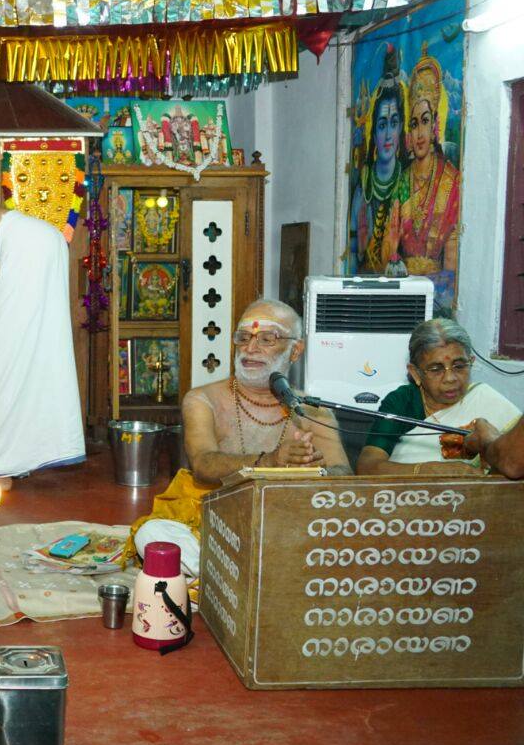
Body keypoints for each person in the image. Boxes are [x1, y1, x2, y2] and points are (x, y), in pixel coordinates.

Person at [124, 299, 351, 576]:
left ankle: (235, 574)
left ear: (296, 350)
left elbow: (343, 476)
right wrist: (272, 462)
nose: (250, 348)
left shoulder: (314, 412)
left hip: (285, 521)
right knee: (153, 534)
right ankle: (230, 577)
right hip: (213, 518)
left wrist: (313, 470)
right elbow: (204, 465)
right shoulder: (204, 399)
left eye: (268, 339)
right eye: (243, 338)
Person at [0, 204, 85, 479]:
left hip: (26, 244)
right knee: (34, 355)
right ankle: (22, 455)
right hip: (44, 241)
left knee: (2, 360)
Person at [358, 319, 519, 475]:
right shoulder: (403, 401)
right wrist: (429, 471)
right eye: (436, 369)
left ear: (471, 362)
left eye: (459, 366)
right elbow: (367, 466)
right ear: (415, 373)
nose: (450, 378)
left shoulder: (487, 400)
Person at [391, 48, 461, 313]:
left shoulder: (451, 181)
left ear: (435, 126)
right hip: (402, 296)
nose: (419, 133)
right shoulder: (402, 181)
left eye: (425, 121)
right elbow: (391, 247)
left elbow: (452, 261)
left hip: (437, 300)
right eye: (413, 124)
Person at [350, 44, 406, 275]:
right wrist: (362, 249)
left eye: (394, 123)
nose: (388, 135)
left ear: (401, 127)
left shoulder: (408, 184)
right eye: (382, 125)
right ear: (374, 132)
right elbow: (354, 258)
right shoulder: (364, 186)